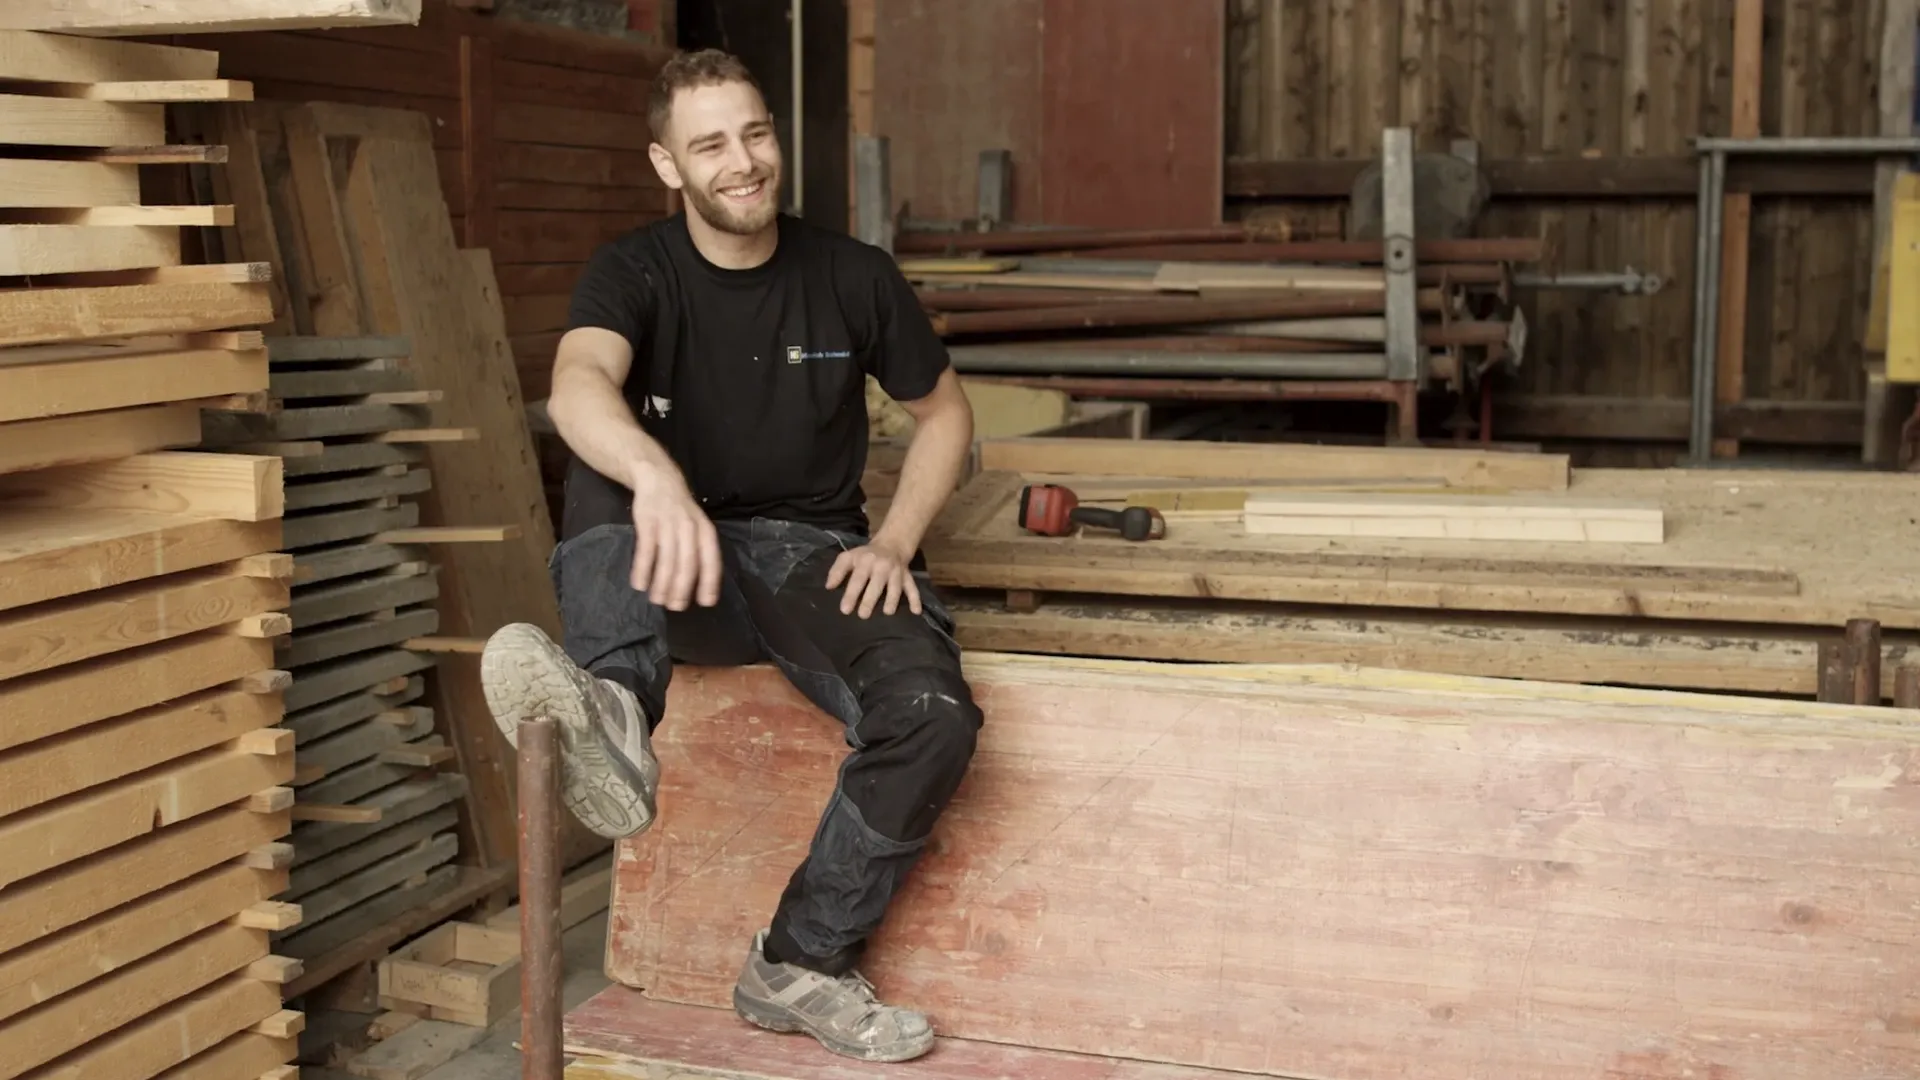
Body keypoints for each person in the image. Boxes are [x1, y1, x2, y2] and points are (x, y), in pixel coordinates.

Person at [477, 47, 981, 1064]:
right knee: (610, 444)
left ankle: (797, 964)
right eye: (710, 144)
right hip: (672, 563)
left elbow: (946, 415)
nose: (742, 161)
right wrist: (659, 480)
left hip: (812, 557)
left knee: (933, 716)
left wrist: (892, 541)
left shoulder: (851, 276)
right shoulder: (634, 272)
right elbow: (577, 382)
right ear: (668, 165)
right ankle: (616, 705)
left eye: (755, 134)